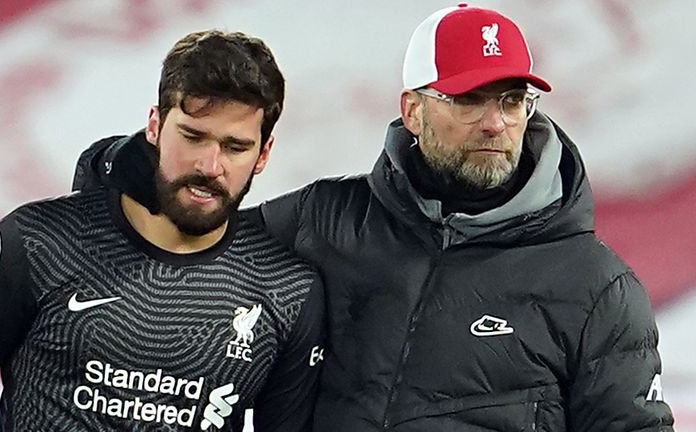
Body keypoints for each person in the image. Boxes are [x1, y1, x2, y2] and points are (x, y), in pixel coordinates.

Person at [71, 3, 675, 431]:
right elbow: (178, 242)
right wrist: (125, 167)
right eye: (466, 99)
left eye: (512, 100)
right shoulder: (326, 222)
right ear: (412, 111)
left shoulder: (596, 286)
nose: (495, 122)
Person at [0, 30, 325, 432]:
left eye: (235, 147)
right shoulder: (38, 242)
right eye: (192, 136)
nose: (210, 166)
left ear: (264, 153)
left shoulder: (287, 292)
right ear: (154, 126)